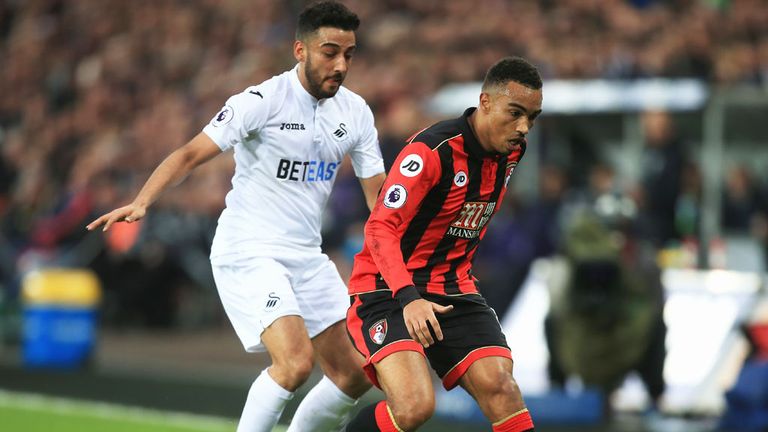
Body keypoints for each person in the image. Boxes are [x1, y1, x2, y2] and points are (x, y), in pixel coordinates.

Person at [86, 2, 385, 431]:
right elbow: (190, 153)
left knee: (356, 372)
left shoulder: (355, 112)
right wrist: (143, 201)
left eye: (349, 54)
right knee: (295, 362)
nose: (340, 64)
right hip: (250, 250)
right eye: (330, 52)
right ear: (300, 50)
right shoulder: (262, 101)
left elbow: (380, 196)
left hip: (306, 255)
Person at [345, 57, 542, 432]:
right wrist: (409, 297)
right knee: (414, 406)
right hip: (388, 289)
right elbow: (379, 229)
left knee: (502, 387)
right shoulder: (430, 151)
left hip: (453, 287)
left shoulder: (512, 152)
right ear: (485, 102)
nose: (523, 127)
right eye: (515, 113)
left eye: (532, 117)